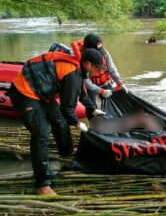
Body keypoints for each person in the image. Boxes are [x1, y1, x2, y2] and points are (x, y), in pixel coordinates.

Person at [4, 48, 104, 196]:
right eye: (98, 68)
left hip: (42, 94)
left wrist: (92, 109)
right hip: (25, 92)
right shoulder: (72, 73)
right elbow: (67, 107)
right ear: (88, 64)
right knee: (42, 133)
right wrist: (77, 123)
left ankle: (66, 150)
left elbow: (81, 94)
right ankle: (43, 184)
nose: (99, 72)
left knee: (59, 120)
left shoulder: (79, 70)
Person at [72, 34, 128, 119]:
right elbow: (85, 81)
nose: (100, 53)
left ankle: (115, 122)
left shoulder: (104, 53)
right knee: (91, 107)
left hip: (104, 82)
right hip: (89, 86)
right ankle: (93, 125)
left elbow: (112, 69)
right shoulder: (81, 59)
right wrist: (100, 91)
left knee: (113, 103)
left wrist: (120, 83)